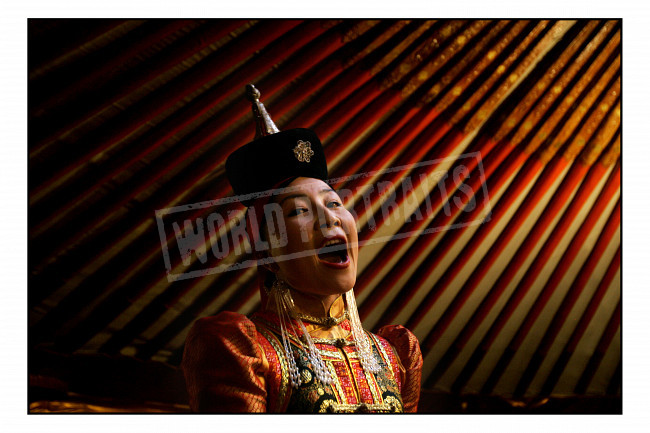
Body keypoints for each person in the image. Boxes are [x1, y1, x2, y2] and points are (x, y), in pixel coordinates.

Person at [181, 85, 423, 413]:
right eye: (299, 211)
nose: (329, 219)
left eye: (334, 203)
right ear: (268, 255)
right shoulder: (245, 350)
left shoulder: (395, 355)